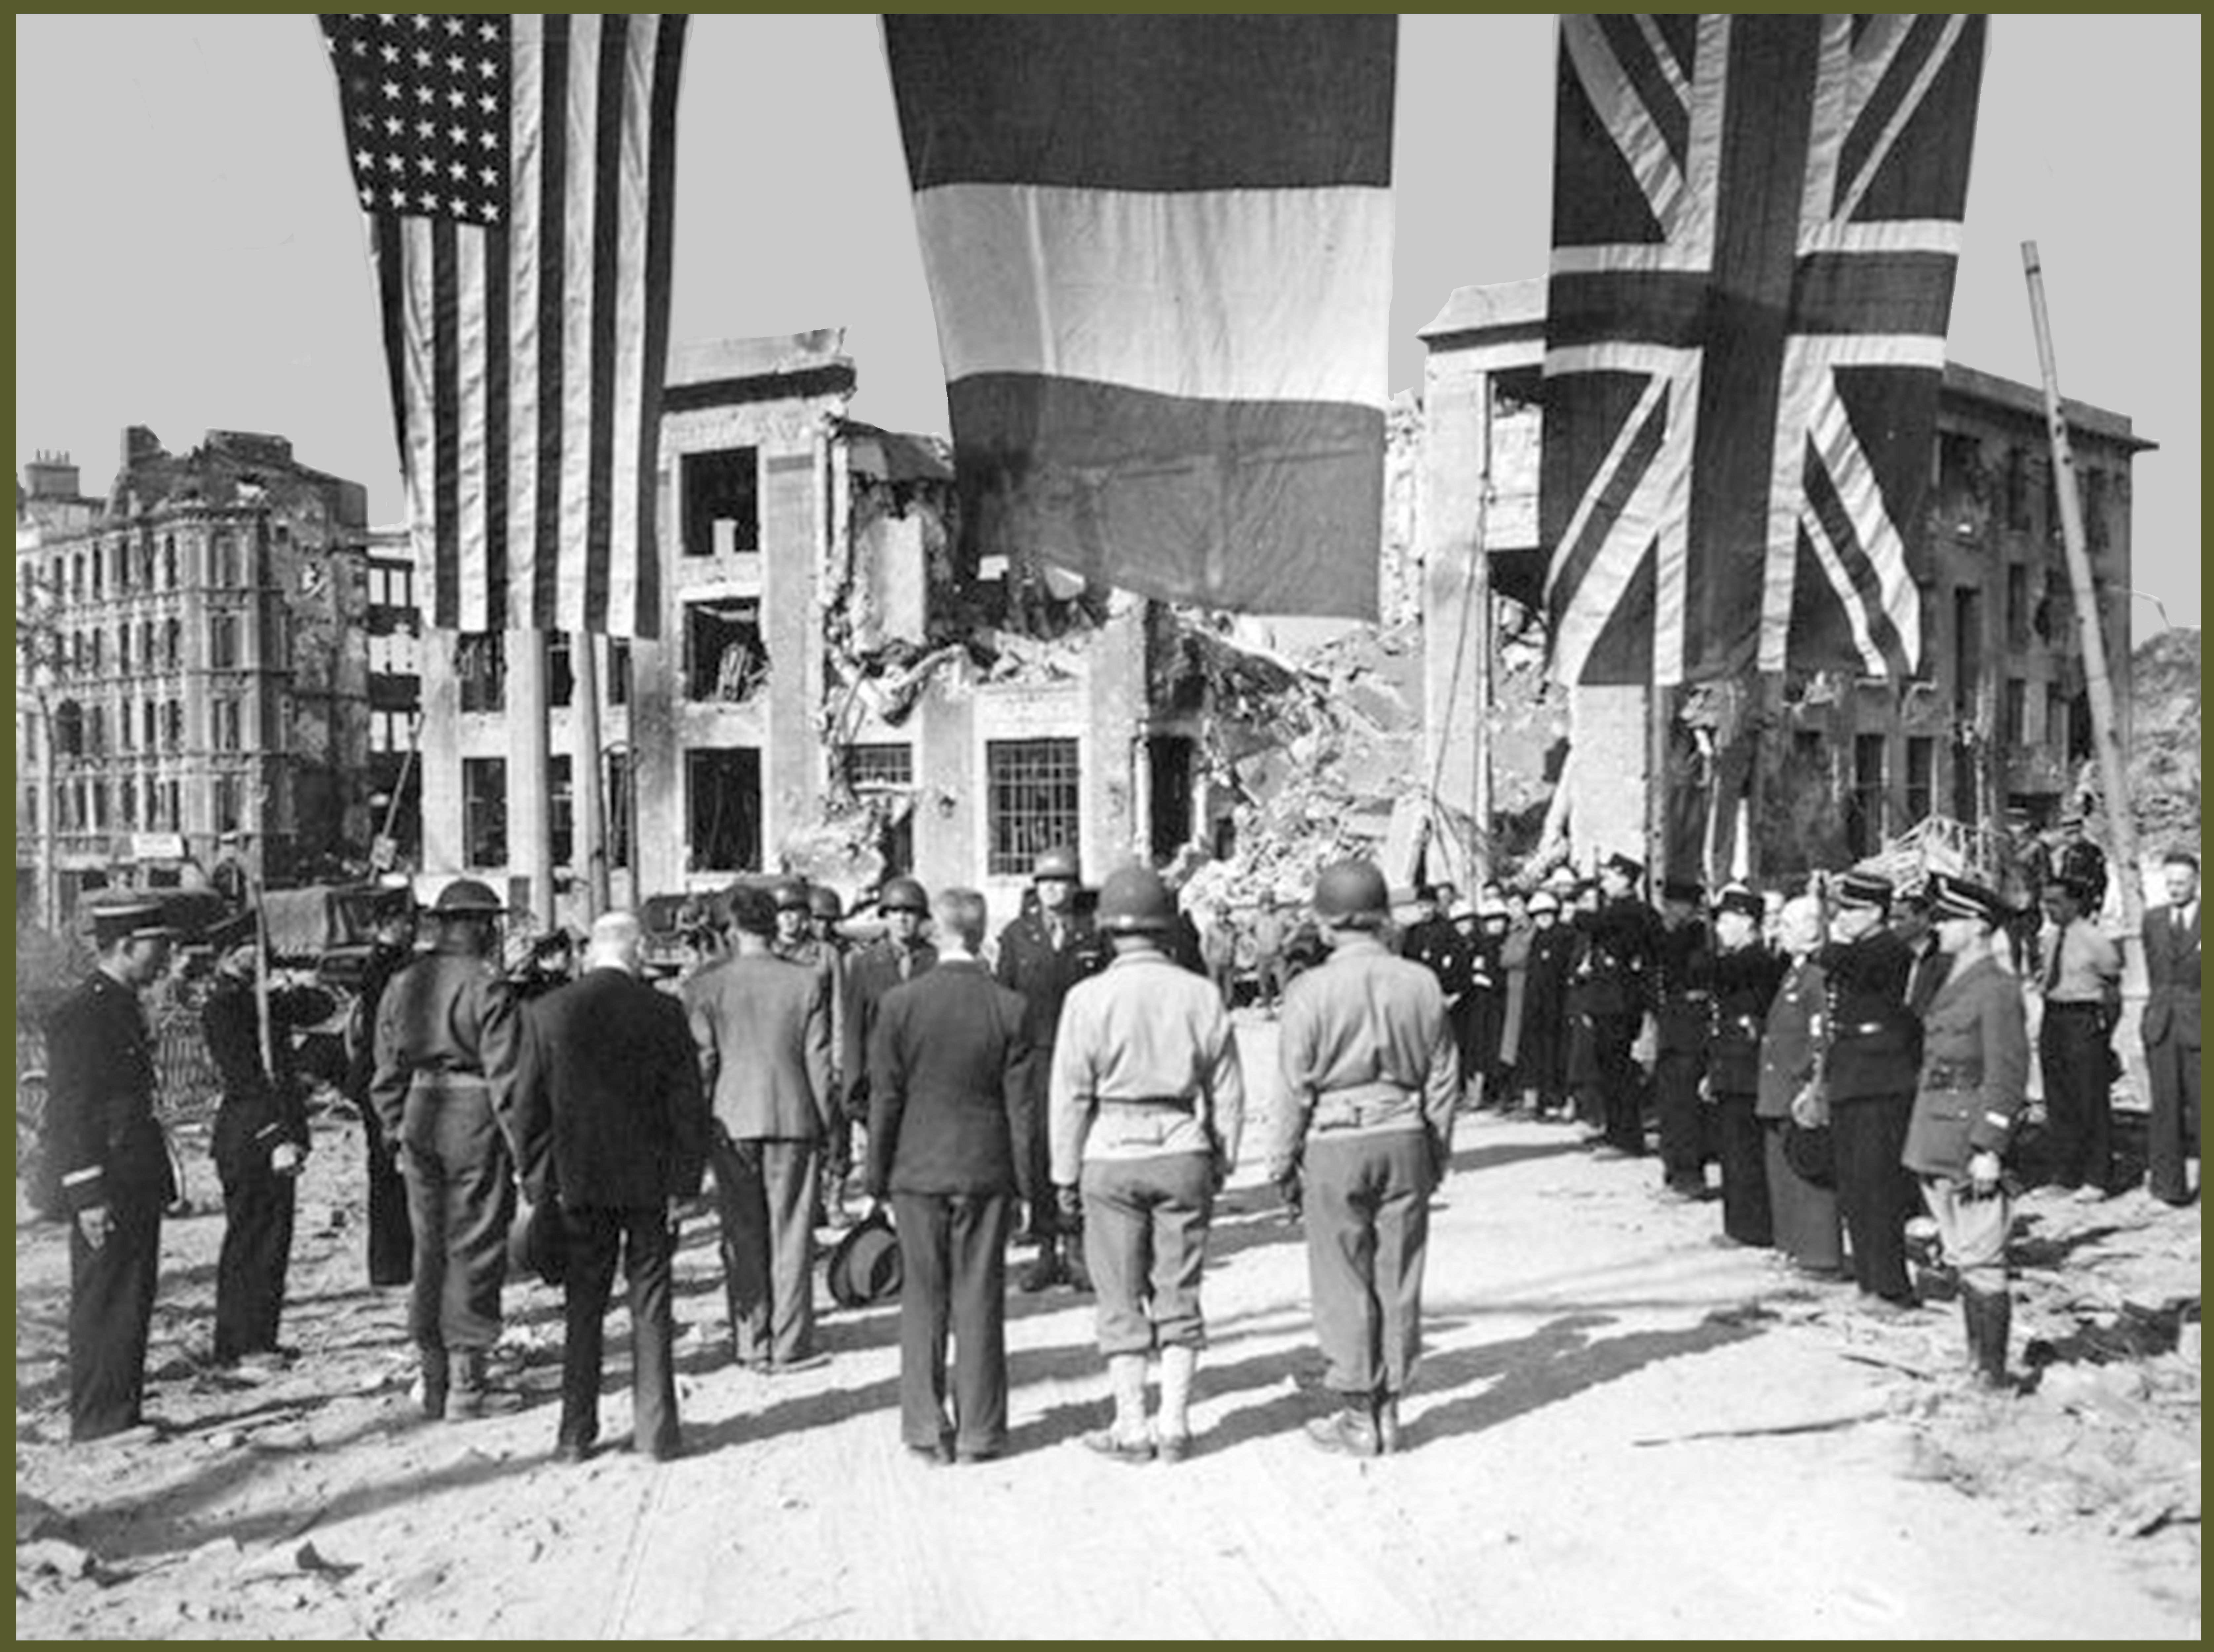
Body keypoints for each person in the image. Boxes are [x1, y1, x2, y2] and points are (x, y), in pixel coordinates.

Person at [1050, 864, 1244, 1465]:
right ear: (1165, 928)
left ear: (1108, 929)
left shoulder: (1086, 998)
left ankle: (1132, 1425)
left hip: (1110, 1151)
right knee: (1179, 1289)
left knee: (1118, 1293)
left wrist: (1063, 1173)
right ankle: (1176, 1424)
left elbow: (1070, 1093)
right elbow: (1230, 1091)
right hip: (1183, 1146)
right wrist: (1223, 1157)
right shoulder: (1201, 993)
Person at [1269, 860, 1459, 1458]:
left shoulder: (1309, 991)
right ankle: (1393, 1409)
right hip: (1404, 1135)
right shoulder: (1422, 983)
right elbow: (1443, 1080)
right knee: (1398, 1274)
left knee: (1341, 1275)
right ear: (1383, 919)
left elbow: (1292, 1087)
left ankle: (1357, 1412)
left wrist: (1282, 1164)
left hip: (1334, 1141)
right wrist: (1435, 1152)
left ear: (1326, 926)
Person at [513, 912, 709, 1464]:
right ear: (638, 950)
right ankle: (657, 1433)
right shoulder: (666, 1012)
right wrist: (684, 1181)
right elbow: (687, 1105)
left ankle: (575, 1434)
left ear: (590, 953)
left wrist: (538, 1180)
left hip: (579, 1183)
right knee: (651, 1304)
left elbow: (528, 1108)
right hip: (649, 1183)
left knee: (584, 1307)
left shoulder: (547, 1013)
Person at [867, 887, 1035, 1465]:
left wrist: (876, 1179)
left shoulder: (900, 1004)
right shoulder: (1010, 1008)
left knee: (922, 1296)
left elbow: (885, 1099)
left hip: (915, 1169)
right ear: (982, 930)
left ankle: (924, 1425)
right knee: (980, 1297)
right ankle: (980, 1431)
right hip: (986, 1170)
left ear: (937, 931)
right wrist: (1027, 1187)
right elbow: (1022, 1109)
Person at [371, 878, 524, 1419]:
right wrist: (524, 1148)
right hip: (473, 1113)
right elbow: (508, 1078)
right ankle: (467, 1383)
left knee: (428, 1245)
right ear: (482, 927)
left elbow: (384, 1068)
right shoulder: (488, 985)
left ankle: (432, 1378)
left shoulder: (404, 981)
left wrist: (395, 1129)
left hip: (419, 1112)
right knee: (475, 1243)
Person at [685, 880, 836, 1373]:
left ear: (731, 929)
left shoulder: (705, 986)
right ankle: (792, 1342)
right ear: (774, 926)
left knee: (741, 1232)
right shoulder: (807, 981)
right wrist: (827, 1124)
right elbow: (819, 1064)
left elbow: (703, 1064)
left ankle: (752, 1342)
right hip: (795, 1118)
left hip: (731, 1120)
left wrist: (700, 1126)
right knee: (792, 1232)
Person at [46, 900, 177, 1441]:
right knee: (106, 1296)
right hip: (108, 1178)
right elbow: (71, 1111)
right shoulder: (85, 1012)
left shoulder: (119, 1004)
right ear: (126, 945)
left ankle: (121, 1411)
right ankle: (99, 1419)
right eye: (158, 945)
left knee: (131, 1292)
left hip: (132, 1174)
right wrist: (87, 1194)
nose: (167, 956)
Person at [1903, 875, 2030, 1388]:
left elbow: (2008, 1072)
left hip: (1969, 1138)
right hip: (1935, 1131)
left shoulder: (1998, 988)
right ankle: (1975, 1361)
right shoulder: (1955, 977)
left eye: (1950, 919)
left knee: (1982, 1258)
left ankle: (1991, 1374)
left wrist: (1990, 1147)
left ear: (1977, 926)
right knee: (1961, 1257)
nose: (1940, 927)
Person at [200, 913, 319, 1369]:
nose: (261, 955)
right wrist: (275, 1138)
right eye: (253, 948)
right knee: (252, 1240)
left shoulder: (260, 1000)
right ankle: (239, 1344)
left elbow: (320, 1008)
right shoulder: (225, 1006)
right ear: (230, 954)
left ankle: (260, 1338)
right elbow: (246, 1079)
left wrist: (288, 984)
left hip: (272, 1136)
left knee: (274, 1240)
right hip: (250, 1137)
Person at [992, 846, 1109, 1293]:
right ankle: (1045, 1248)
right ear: (1035, 888)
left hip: (1082, 1056)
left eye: (1062, 882)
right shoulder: (1016, 936)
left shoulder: (1093, 934)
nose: (1054, 890)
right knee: (1037, 1150)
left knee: (1079, 1146)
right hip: (1034, 1061)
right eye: (1045, 883)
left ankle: (1077, 1248)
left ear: (1075, 886)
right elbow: (1003, 999)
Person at [1819, 871, 1921, 1309]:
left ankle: (1892, 1286)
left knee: (1880, 1187)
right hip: (1852, 1070)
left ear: (1876, 912)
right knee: (1855, 1185)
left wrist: (1826, 934)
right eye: (1841, 908)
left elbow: (1845, 964)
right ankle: (1868, 1278)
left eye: (1851, 909)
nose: (1843, 917)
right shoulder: (1860, 948)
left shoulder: (1887, 950)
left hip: (1881, 1075)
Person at [843, 877, 938, 1211]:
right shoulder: (866, 964)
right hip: (881, 1081)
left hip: (925, 1080)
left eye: (910, 912)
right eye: (894, 912)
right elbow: (854, 1029)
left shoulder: (936, 962)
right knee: (882, 1156)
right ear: (884, 916)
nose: (902, 919)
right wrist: (853, 1089)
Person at [1757, 896, 1835, 1267]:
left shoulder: (1816, 978)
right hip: (1778, 1084)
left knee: (1807, 1171)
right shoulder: (1792, 973)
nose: (1779, 932)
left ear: (1810, 928)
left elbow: (1820, 1037)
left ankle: (1818, 1252)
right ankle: (1788, 1242)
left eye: (1788, 926)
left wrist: (1813, 1086)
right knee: (1781, 1170)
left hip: (1797, 1087)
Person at [2036, 873, 2123, 1200]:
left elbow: (2113, 989)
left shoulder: (2095, 939)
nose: (2049, 908)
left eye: (2056, 902)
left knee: (2089, 1099)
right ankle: (2064, 1174)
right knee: (2058, 1099)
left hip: (2083, 1019)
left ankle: (2097, 1177)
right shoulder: (2050, 936)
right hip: (2053, 1016)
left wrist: (2104, 1034)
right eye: (2046, 902)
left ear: (2075, 903)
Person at [346, 898, 419, 1287]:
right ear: (389, 923)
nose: (412, 928)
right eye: (406, 922)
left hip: (379, 1075)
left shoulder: (390, 962)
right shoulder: (385, 966)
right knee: (388, 1169)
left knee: (391, 1171)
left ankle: (396, 1260)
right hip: (382, 1077)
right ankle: (391, 1264)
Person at [774, 877, 854, 1227]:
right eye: (783, 913)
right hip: (783, 1053)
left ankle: (833, 1197)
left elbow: (839, 1007)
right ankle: (801, 1204)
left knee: (833, 1128)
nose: (790, 920)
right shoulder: (769, 953)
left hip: (819, 1053)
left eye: (796, 912)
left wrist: (839, 1058)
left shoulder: (825, 954)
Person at [1705, 885, 1782, 1236]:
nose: (1719, 928)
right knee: (1732, 1150)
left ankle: (1753, 1227)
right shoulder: (1736, 960)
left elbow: (1718, 974)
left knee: (1745, 1151)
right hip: (1730, 1062)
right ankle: (1738, 1224)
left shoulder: (1755, 960)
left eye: (1724, 920)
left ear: (1746, 922)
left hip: (1747, 1065)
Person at [1574, 853, 1660, 1155]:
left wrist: (1577, 908)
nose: (1604, 883)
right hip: (1605, 1000)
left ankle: (1627, 1137)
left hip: (1622, 1002)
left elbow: (1588, 921)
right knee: (1608, 1070)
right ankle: (1615, 1131)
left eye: (1610, 877)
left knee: (1621, 1072)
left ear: (1625, 879)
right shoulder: (1616, 910)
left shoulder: (1631, 911)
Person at [2140, 850, 2201, 1206]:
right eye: (2169, 883)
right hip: (2161, 1025)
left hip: (2199, 1024)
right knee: (2164, 1107)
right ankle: (2168, 1186)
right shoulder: (2153, 919)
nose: (2174, 889)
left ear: (2196, 882)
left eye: (2181, 882)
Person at [1652, 878, 1714, 1201]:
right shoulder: (1673, 934)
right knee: (1670, 1100)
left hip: (1690, 1025)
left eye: (1673, 904)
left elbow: (1690, 971)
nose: (1668, 910)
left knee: (1686, 1104)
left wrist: (1672, 932)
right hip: (1672, 1023)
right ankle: (1673, 1169)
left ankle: (1690, 1176)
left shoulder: (1698, 934)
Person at [1520, 891, 1575, 1117]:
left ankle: (1559, 1100)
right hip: (1538, 1008)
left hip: (1559, 1006)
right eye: (1538, 915)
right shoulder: (1537, 939)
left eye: (1547, 914)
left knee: (1559, 1056)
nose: (1543, 919)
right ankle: (1544, 1101)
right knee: (1541, 1056)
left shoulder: (1564, 936)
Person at [1252, 895, 1289, 1013]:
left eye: (1270, 903)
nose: (1267, 907)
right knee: (1264, 984)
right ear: (1261, 905)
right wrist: (1253, 942)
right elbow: (1245, 930)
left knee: (1283, 983)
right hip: (1262, 955)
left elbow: (1296, 927)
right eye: (1265, 904)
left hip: (1278, 955)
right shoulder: (1256, 917)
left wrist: (1285, 941)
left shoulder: (1280, 917)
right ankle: (1268, 1010)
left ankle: (1287, 1010)